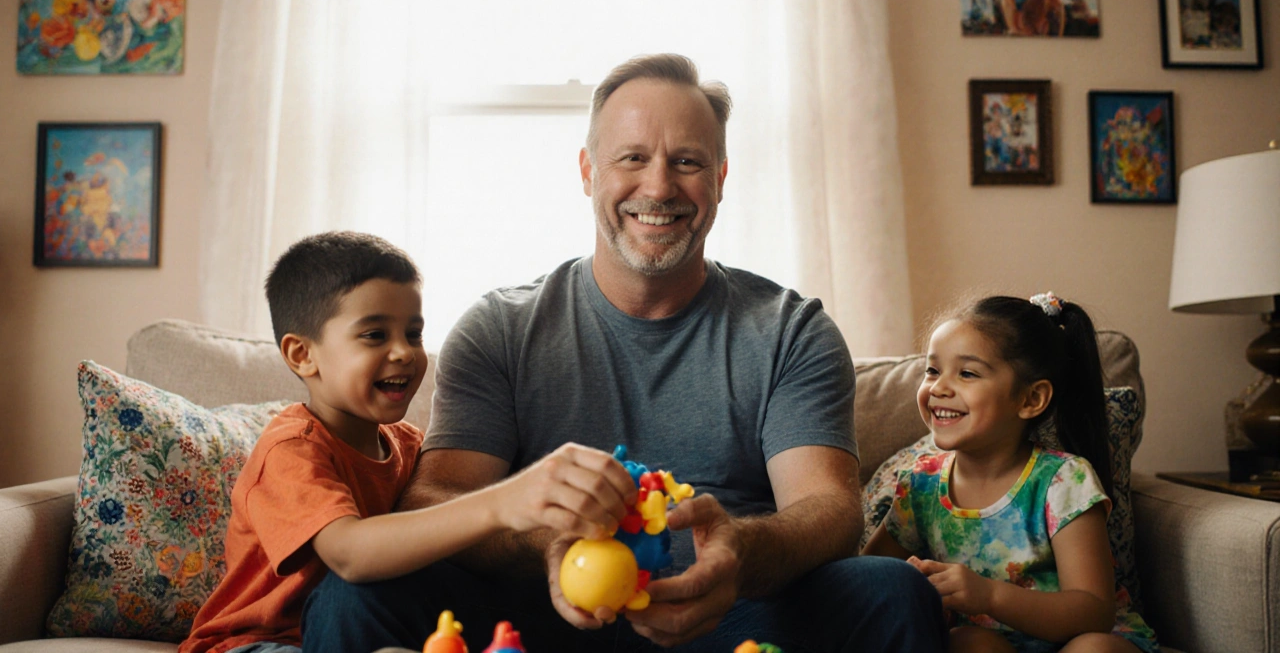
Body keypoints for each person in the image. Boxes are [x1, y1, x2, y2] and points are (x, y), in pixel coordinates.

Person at [300, 54, 947, 652]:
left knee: (892, 593)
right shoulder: (499, 326)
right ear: (588, 172)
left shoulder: (790, 330)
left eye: (688, 161)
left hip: (728, 614)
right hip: (532, 617)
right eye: (632, 158)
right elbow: (434, 498)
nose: (659, 186)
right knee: (354, 594)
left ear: (720, 179)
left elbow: (829, 510)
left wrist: (735, 555)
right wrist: (550, 541)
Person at [181, 232, 630, 653]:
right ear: (303, 355)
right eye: (375, 335)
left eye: (412, 333)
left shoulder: (410, 446)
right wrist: (500, 504)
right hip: (255, 644)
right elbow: (349, 555)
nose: (404, 352)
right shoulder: (291, 450)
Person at [862, 293, 1159, 653]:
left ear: (1031, 399)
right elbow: (867, 580)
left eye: (967, 373)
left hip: (1082, 640)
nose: (938, 387)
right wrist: (916, 586)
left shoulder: (1063, 480)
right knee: (967, 643)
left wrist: (988, 596)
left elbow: (1094, 612)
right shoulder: (920, 486)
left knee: (1094, 650)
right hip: (993, 646)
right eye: (932, 370)